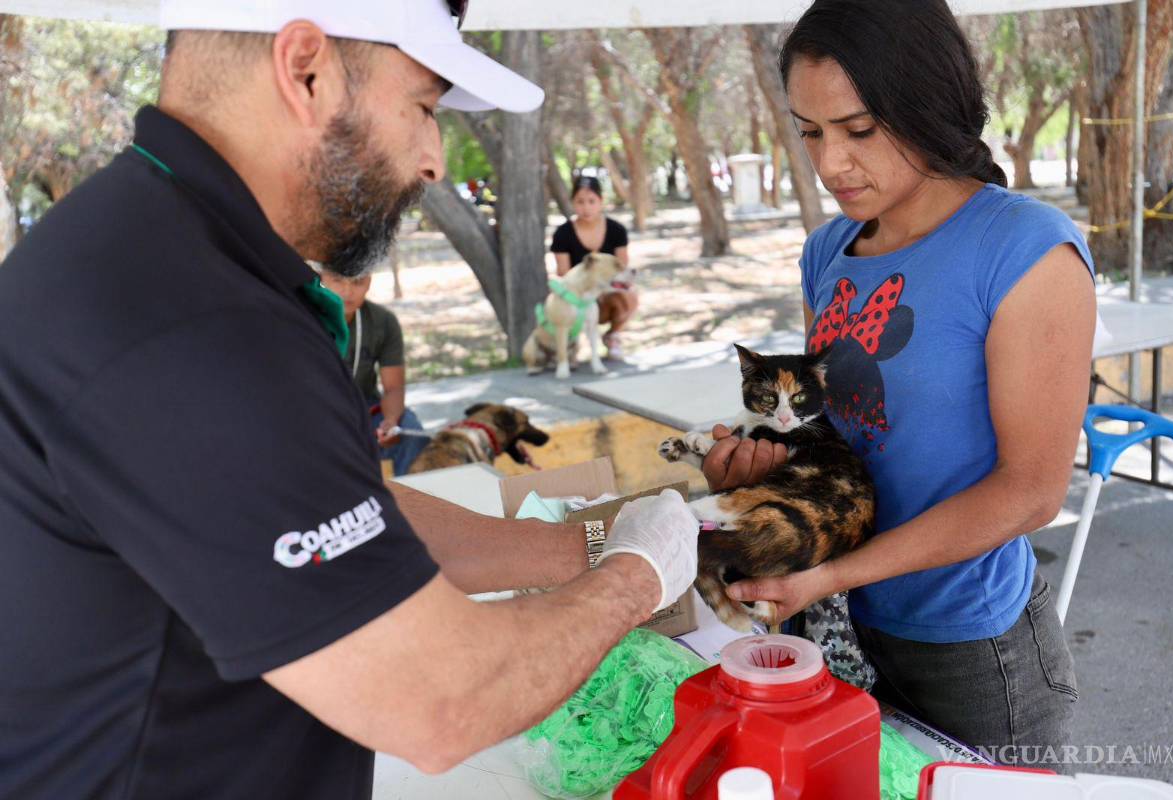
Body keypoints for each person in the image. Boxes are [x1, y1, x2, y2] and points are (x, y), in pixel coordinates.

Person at [0, 2, 700, 798]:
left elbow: (346, 516)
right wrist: (640, 575)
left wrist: (584, 549)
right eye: (424, 109)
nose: (435, 162)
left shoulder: (151, 250)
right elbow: (445, 701)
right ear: (306, 69)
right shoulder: (195, 330)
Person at [703, 0, 1095, 767]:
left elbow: (1032, 491)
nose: (829, 165)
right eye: (810, 131)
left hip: (974, 650)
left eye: (858, 130)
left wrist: (832, 574)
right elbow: (843, 441)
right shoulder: (828, 252)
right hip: (842, 622)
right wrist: (762, 462)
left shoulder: (1025, 250)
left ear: (929, 107)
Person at [320, 269, 427, 474]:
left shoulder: (382, 321)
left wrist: (390, 422)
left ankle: (411, 501)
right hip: (316, 411)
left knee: (408, 432)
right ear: (321, 278)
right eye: (338, 280)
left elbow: (394, 388)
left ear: (369, 282)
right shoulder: (303, 317)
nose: (347, 291)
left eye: (357, 282)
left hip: (365, 408)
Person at [550, 175, 637, 360]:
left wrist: (605, 287)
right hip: (578, 294)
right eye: (580, 201)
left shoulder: (616, 230)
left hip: (607, 292)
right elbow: (564, 273)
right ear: (573, 202)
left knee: (630, 295)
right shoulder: (562, 233)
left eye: (591, 201)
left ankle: (613, 336)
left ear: (601, 201)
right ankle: (570, 342)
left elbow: (622, 268)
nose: (586, 207)